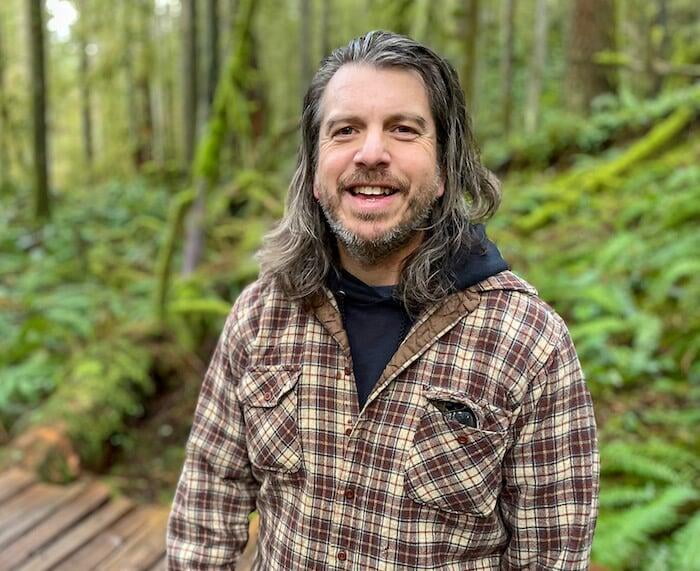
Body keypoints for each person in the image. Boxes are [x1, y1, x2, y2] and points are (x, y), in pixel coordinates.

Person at [167, 30, 599, 570]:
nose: (372, 153)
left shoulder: (528, 343)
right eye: (345, 130)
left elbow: (551, 558)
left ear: (444, 167)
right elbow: (209, 501)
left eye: (403, 129)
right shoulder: (261, 315)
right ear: (314, 167)